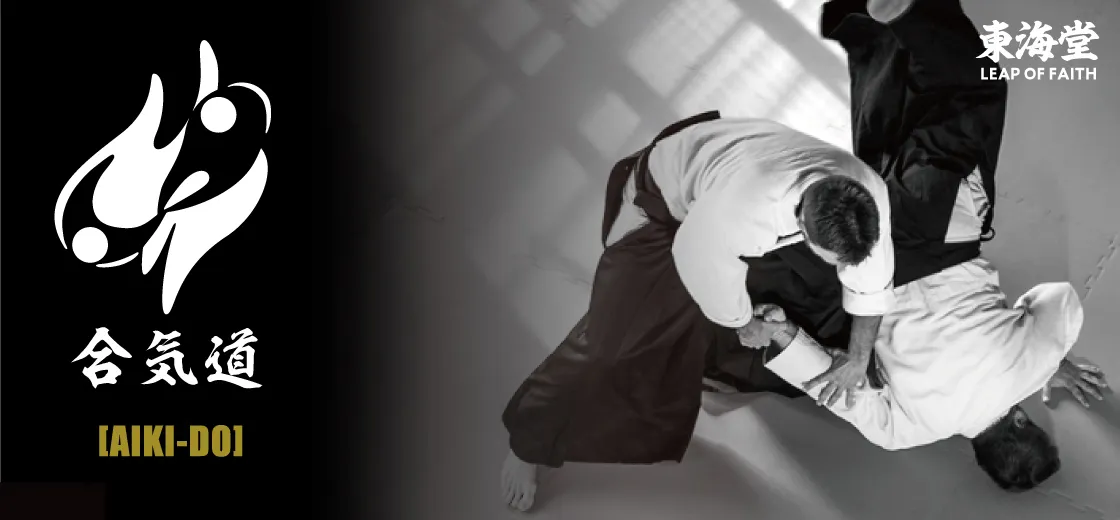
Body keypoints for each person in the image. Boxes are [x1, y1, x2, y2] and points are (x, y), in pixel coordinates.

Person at [744, 0, 1109, 492]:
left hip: (943, 228)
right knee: (878, 153)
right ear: (982, 454)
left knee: (975, 94)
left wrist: (1051, 364)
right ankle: (862, 25)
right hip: (871, 263)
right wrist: (782, 333)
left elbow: (1059, 298)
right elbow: (833, 387)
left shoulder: (1034, 363)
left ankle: (905, 14)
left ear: (1024, 421)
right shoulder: (904, 433)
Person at [500, 111, 898, 511]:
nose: (842, 267)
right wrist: (747, 323)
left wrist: (857, 358)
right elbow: (696, 258)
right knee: (610, 345)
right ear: (803, 227)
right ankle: (528, 443)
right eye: (832, 257)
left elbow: (870, 281)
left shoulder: (865, 192)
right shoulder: (742, 209)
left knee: (815, 298)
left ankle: (716, 366)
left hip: (729, 166)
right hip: (672, 208)